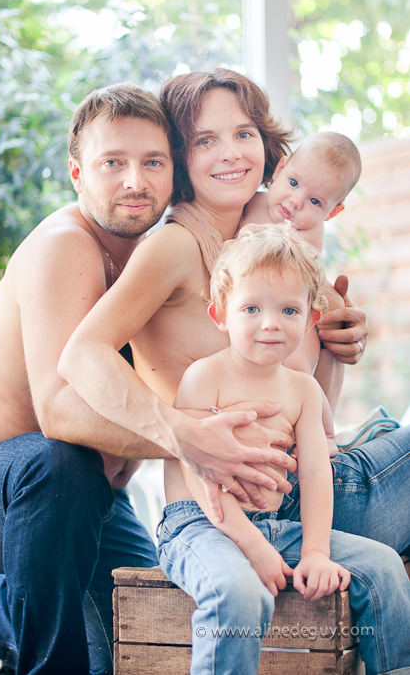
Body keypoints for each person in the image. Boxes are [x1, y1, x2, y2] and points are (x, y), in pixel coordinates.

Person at [0, 83, 292, 675]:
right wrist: (190, 437)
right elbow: (60, 412)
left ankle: (9, 604)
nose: (135, 181)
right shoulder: (65, 247)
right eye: (113, 163)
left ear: (175, 174)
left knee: (144, 630)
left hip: (97, 503)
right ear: (77, 175)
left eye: (153, 163)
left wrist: (330, 331)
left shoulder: (162, 255)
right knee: (61, 463)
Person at [60, 69, 409, 556]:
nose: (231, 152)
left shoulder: (266, 250)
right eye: (206, 140)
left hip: (307, 491)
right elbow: (81, 354)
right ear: (179, 159)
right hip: (246, 504)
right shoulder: (175, 245)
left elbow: (307, 402)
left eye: (244, 133)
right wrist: (181, 434)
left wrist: (335, 341)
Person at [158, 223, 410, 675]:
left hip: (277, 523)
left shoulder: (303, 391)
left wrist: (314, 550)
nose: (271, 322)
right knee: (239, 591)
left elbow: (314, 476)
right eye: (251, 307)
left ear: (310, 319)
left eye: (289, 309)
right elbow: (200, 477)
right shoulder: (203, 377)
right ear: (220, 315)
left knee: (383, 566)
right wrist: (251, 544)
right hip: (202, 525)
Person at [244, 131, 363, 455]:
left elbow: (301, 278)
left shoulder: (307, 233)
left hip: (294, 320)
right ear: (280, 169)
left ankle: (324, 434)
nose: (296, 202)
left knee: (302, 370)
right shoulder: (250, 202)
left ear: (332, 212)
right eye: (294, 183)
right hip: (258, 316)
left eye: (314, 202)